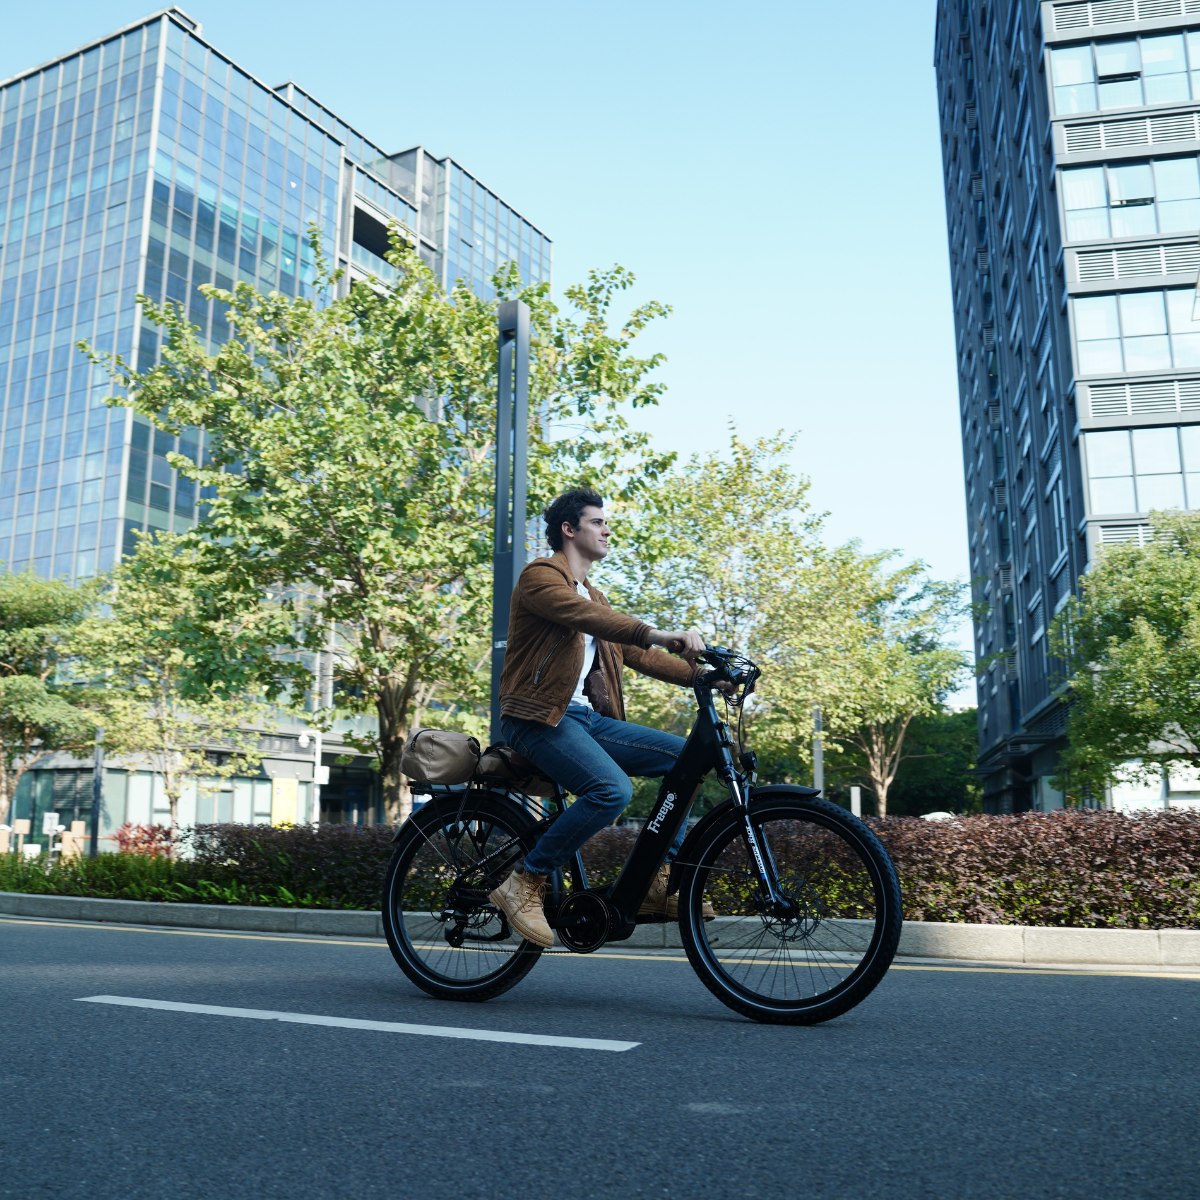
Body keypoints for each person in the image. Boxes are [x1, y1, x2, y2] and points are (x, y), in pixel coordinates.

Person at [490, 486, 710, 948]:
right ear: (568, 530)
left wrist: (703, 678)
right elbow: (584, 618)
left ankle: (658, 879)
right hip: (537, 719)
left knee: (685, 760)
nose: (607, 530)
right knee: (611, 790)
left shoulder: (595, 594)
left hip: (586, 720)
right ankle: (524, 881)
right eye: (597, 522)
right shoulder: (540, 578)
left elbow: (636, 654)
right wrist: (657, 632)